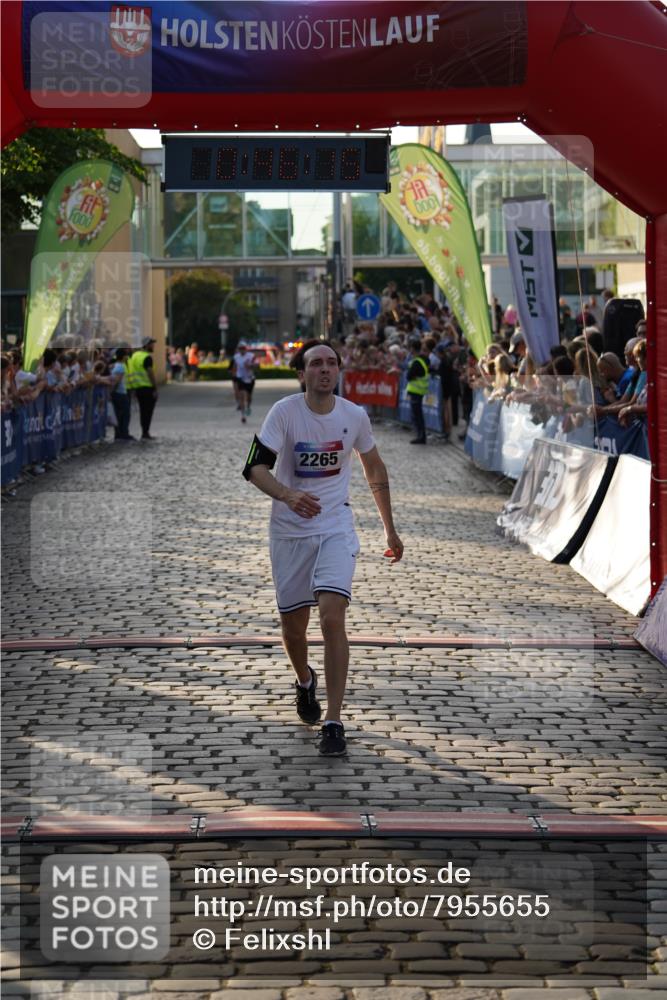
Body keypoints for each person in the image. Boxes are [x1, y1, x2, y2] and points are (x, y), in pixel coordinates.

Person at [243, 339, 403, 757]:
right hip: (290, 533)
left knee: (333, 617)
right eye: (316, 364)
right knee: (294, 631)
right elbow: (254, 467)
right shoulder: (284, 413)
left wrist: (389, 529)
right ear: (302, 373)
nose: (325, 370)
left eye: (332, 363)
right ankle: (304, 680)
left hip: (335, 527)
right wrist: (287, 495)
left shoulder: (354, 416)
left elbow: (374, 467)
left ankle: (333, 720)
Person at [127, 337, 158, 440]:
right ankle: (145, 432)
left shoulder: (134, 356)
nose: (153, 346)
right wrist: (155, 387)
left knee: (142, 411)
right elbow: (150, 372)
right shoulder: (146, 357)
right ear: (146, 345)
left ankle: (144, 431)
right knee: (148, 411)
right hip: (147, 387)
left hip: (137, 387)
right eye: (152, 344)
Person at [405, 338, 431, 444]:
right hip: (419, 392)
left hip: (416, 391)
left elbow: (409, 376)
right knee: (418, 415)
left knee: (417, 415)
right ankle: (420, 435)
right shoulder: (424, 359)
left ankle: (421, 436)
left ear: (412, 348)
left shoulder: (416, 362)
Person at [110, 346, 134, 440]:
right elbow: (116, 381)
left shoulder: (116, 365)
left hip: (119, 393)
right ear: (123, 356)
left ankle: (120, 433)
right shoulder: (120, 367)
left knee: (119, 414)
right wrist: (111, 392)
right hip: (120, 394)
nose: (127, 357)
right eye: (126, 355)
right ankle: (123, 433)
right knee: (124, 414)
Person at [234, 343, 259, 422]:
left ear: (246, 349)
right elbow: (235, 367)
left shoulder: (251, 356)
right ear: (238, 349)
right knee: (241, 396)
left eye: (243, 348)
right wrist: (234, 376)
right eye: (240, 349)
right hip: (240, 378)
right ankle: (243, 415)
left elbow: (258, 365)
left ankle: (248, 406)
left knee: (248, 396)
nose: (242, 350)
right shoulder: (236, 357)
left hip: (250, 378)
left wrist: (250, 366)